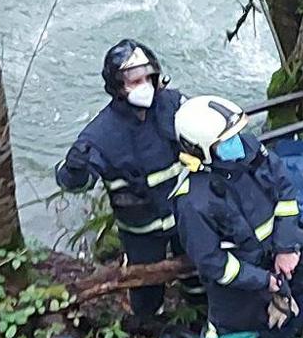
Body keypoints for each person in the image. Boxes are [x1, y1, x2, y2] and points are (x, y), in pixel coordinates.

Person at [171, 95, 303, 338]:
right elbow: (214, 265)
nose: (237, 144)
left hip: (279, 243)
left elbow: (285, 193)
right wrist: (264, 281)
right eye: (226, 141)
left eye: (236, 135)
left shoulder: (251, 151)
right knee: (236, 333)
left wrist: (286, 248)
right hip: (240, 271)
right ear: (200, 149)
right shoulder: (193, 201)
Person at [55, 40, 201, 319]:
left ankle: (198, 313)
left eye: (149, 78)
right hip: (140, 229)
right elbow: (74, 182)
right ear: (118, 87)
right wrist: (75, 170)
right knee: (146, 285)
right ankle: (151, 325)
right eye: (135, 81)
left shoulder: (173, 105)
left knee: (197, 273)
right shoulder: (102, 133)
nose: (144, 86)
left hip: (185, 215)